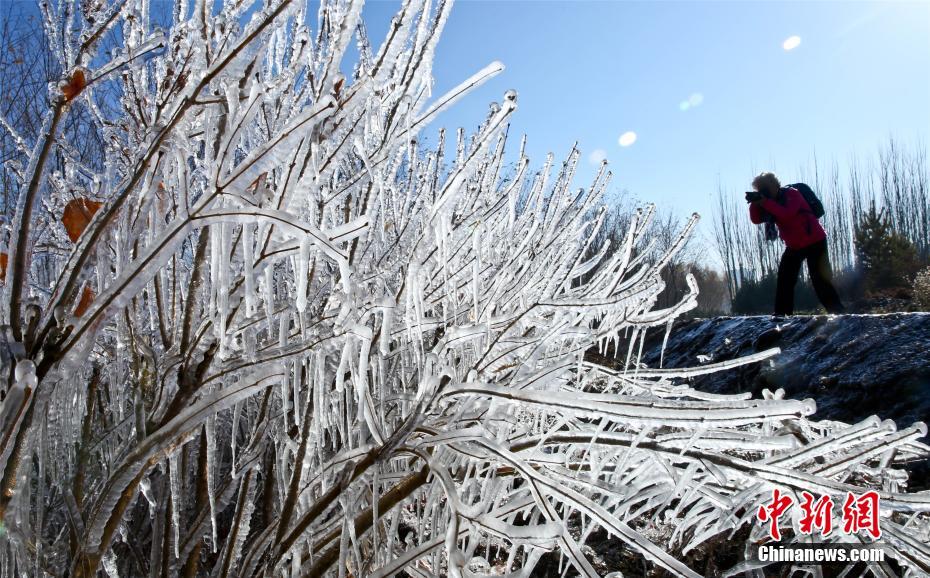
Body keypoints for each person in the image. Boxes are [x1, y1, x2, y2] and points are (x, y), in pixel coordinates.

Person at [747, 172, 844, 316]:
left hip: (814, 240)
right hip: (794, 245)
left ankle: (837, 313)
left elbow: (787, 213)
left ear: (775, 185)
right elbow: (756, 219)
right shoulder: (768, 203)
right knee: (785, 279)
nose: (764, 193)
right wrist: (755, 203)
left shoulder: (792, 194)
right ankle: (782, 315)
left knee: (819, 279)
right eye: (760, 190)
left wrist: (765, 202)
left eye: (766, 189)